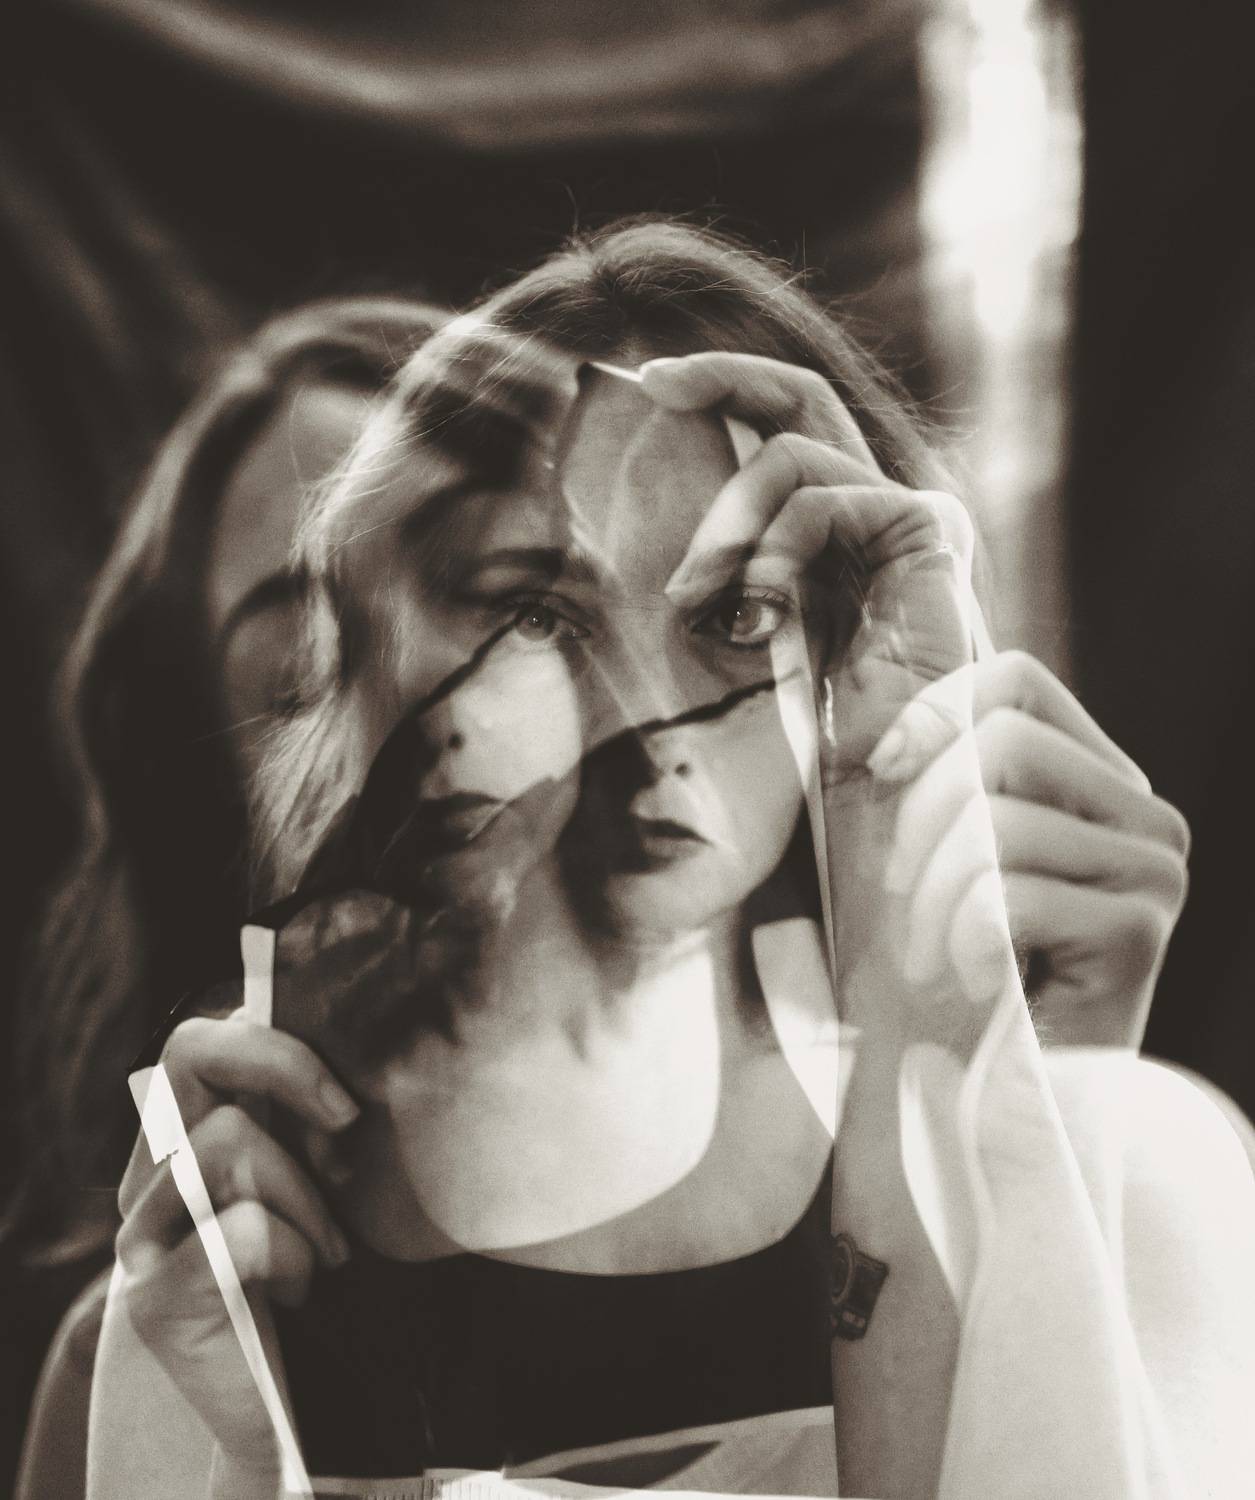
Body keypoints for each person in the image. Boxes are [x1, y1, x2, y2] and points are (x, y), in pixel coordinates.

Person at [92, 224, 1254, 1500]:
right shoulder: (225, 1259)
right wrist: (252, 1457)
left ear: (864, 640)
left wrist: (1004, 1116)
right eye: (540, 617)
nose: (645, 717)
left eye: (736, 615)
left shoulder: (1135, 1170)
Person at [10, 295, 449, 1500]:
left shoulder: (881, 1186)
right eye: (304, 675)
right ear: (224, 827)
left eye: (497, 602)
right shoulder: (145, 1359)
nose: (422, 719)